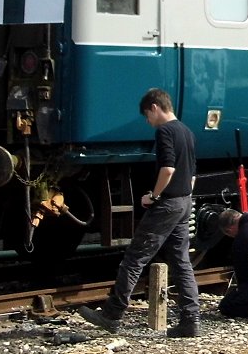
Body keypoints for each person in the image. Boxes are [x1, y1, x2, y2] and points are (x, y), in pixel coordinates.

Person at [80, 88, 201, 337]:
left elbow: (167, 169)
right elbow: (192, 175)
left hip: (167, 204)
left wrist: (154, 196)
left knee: (135, 258)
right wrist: (183, 198)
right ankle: (191, 321)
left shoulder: (165, 131)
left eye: (147, 115)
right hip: (184, 201)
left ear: (155, 107)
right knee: (181, 262)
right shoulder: (187, 132)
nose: (148, 121)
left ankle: (112, 314)